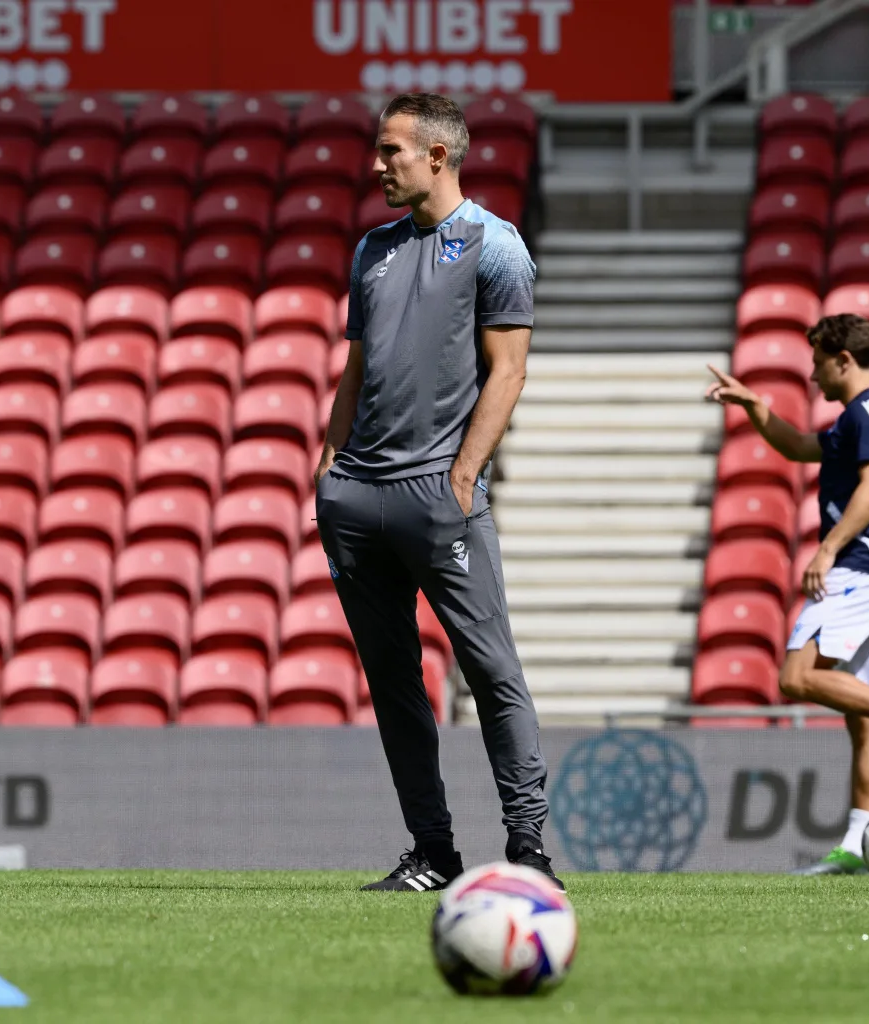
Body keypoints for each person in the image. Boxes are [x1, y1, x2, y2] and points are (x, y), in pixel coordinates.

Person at [314, 93, 560, 892]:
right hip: (356, 499)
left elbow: (510, 370)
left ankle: (527, 853)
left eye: (391, 151)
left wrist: (460, 476)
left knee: (492, 674)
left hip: (436, 496)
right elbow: (356, 366)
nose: (377, 164)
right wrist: (329, 461)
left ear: (438, 157)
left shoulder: (497, 246)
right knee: (393, 687)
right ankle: (433, 852)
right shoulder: (373, 249)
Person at [707, 314, 869, 876]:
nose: (812, 373)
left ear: (844, 359)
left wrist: (826, 550)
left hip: (859, 568)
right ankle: (860, 842)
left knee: (795, 676)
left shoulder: (868, 414)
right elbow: (795, 446)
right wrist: (754, 406)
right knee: (861, 716)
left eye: (818, 360)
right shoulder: (857, 420)